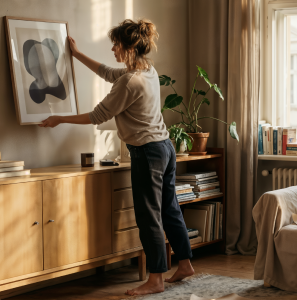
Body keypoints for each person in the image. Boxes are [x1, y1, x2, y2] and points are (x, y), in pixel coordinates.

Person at [38, 19, 194, 296]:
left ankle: (156, 279)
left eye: (116, 45)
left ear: (130, 47)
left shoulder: (130, 82)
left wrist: (59, 118)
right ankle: (184, 264)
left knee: (148, 216)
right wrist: (77, 55)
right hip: (164, 148)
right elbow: (109, 73)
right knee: (169, 209)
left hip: (147, 152)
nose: (112, 49)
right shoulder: (147, 71)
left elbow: (97, 115)